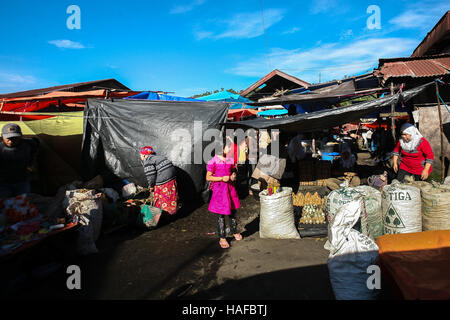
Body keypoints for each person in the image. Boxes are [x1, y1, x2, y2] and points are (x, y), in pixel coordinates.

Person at [206, 140, 242, 249]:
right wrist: (221, 178)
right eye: (227, 147)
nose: (229, 149)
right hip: (220, 191)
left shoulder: (229, 159)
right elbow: (208, 177)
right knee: (220, 214)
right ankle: (222, 237)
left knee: (233, 210)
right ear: (220, 149)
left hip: (230, 189)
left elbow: (233, 171)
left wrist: (233, 175)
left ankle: (234, 231)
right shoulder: (213, 161)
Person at [0, 123, 39, 198]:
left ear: (21, 136)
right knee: (5, 205)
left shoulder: (29, 145)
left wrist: (31, 164)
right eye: (8, 138)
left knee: (22, 204)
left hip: (22, 182)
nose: (11, 141)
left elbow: (36, 144)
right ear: (2, 136)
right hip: (3, 184)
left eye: (14, 138)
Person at [140, 146, 178, 215]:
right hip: (172, 178)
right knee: (170, 196)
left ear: (144, 155)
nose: (140, 157)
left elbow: (151, 176)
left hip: (164, 179)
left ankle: (162, 214)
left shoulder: (147, 161)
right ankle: (172, 212)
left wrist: (151, 186)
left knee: (160, 196)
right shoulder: (159, 157)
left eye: (141, 155)